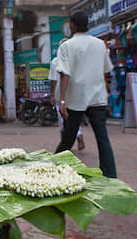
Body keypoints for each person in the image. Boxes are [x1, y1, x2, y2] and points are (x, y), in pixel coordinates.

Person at [55, 10, 117, 178]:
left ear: (72, 25)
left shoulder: (66, 46)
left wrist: (61, 101)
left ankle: (53, 169)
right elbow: (105, 72)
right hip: (97, 97)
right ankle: (111, 175)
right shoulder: (99, 44)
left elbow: (64, 74)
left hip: (76, 97)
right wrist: (106, 93)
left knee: (68, 138)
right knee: (102, 138)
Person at [49, 42, 85, 151]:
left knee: (63, 120)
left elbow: (54, 80)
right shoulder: (75, 62)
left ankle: (65, 146)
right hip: (74, 95)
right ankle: (76, 136)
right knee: (73, 118)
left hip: (61, 96)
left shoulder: (55, 62)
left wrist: (52, 95)